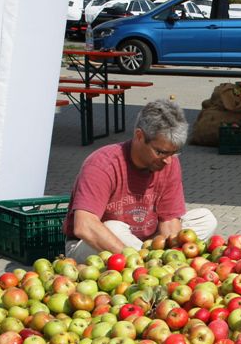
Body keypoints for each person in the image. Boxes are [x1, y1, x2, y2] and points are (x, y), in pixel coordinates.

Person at [64, 99, 217, 260]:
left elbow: (169, 221)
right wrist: (137, 260)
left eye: (174, 153)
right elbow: (84, 226)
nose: (168, 160)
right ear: (139, 136)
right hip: (94, 246)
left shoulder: (169, 163)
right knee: (113, 227)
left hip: (144, 243)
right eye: (161, 152)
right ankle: (148, 263)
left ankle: (154, 263)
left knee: (204, 218)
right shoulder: (102, 164)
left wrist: (173, 256)